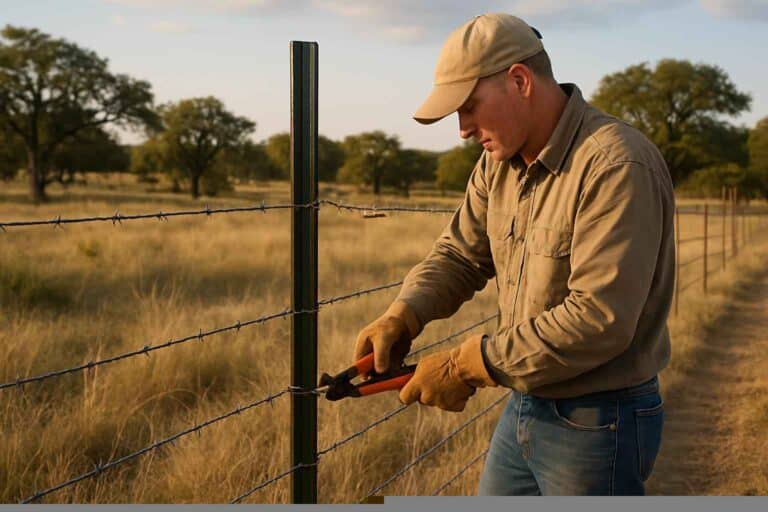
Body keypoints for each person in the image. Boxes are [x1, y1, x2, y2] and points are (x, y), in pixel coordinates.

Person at [352, 13, 675, 495]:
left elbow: (599, 318)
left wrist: (465, 366)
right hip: (525, 402)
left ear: (519, 81)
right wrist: (405, 313)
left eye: (468, 107)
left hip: (601, 418)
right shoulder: (497, 163)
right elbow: (461, 255)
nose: (462, 129)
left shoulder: (614, 165)